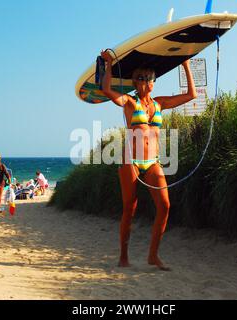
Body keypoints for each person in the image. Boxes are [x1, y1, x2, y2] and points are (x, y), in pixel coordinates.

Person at [100, 50, 197, 271]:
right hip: (131, 161)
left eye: (149, 78)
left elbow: (191, 95)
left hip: (152, 161)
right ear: (134, 81)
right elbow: (106, 90)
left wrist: (186, 66)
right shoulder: (130, 103)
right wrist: (109, 65)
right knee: (129, 209)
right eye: (141, 78)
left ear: (154, 83)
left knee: (164, 206)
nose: (145, 81)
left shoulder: (160, 104)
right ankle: (123, 256)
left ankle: (153, 256)